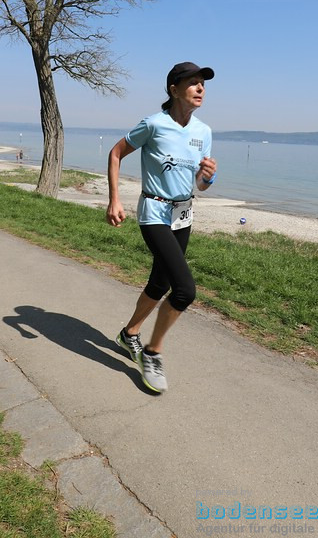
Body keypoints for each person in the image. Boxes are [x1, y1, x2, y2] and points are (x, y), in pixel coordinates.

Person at [105, 61, 217, 394]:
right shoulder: (154, 125)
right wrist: (115, 199)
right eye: (193, 83)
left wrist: (207, 177)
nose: (200, 89)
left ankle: (129, 334)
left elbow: (201, 183)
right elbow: (116, 153)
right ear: (174, 89)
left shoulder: (204, 132)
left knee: (160, 282)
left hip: (183, 213)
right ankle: (152, 353)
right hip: (153, 211)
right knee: (184, 291)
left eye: (203, 84)